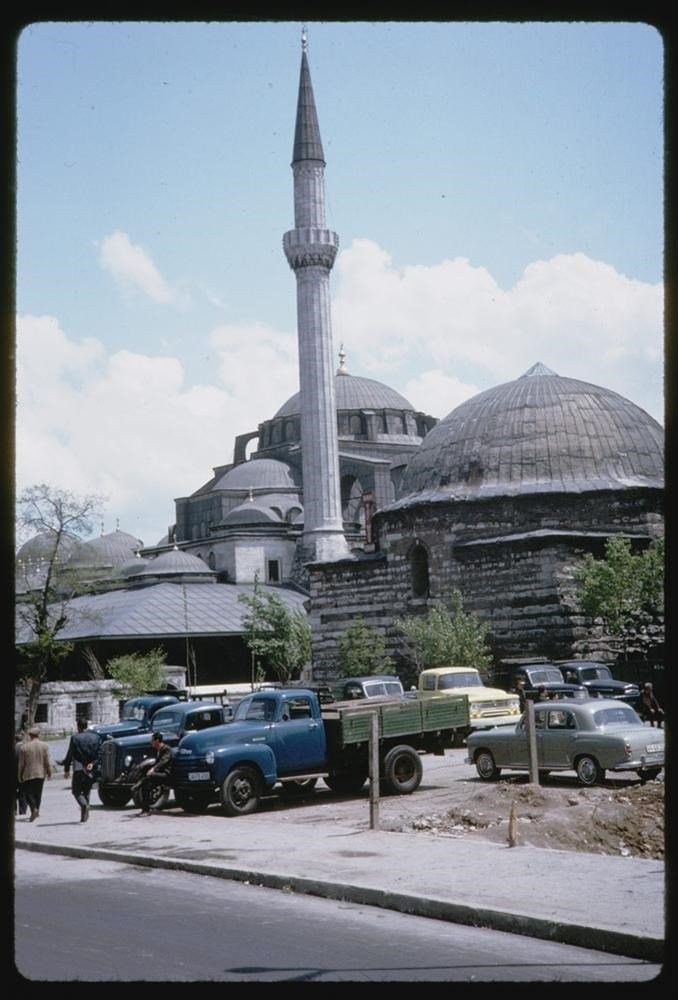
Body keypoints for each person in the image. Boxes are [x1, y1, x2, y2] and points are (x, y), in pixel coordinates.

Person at [60, 718, 102, 822]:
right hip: (91, 767)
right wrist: (93, 764)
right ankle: (84, 814)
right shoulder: (95, 737)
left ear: (78, 726)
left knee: (76, 791)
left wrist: (66, 769)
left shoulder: (75, 738)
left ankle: (84, 806)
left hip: (79, 767)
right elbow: (100, 753)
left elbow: (70, 754)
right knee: (87, 790)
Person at [17, 726, 52, 821]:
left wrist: (19, 774)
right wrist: (49, 771)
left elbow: (21, 764)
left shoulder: (24, 747)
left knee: (27, 793)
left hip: (28, 774)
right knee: (38, 793)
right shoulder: (44, 746)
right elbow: (47, 760)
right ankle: (36, 810)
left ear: (30, 735)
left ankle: (33, 809)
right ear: (38, 735)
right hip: (40, 773)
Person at [135, 732, 173, 815]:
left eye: (152, 740)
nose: (151, 742)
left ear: (157, 741)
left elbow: (163, 761)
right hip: (159, 774)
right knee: (146, 784)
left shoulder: (167, 749)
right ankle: (145, 809)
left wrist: (153, 769)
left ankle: (139, 785)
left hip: (166, 775)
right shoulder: (158, 750)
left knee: (149, 777)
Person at [15, 733, 28, 816]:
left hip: (12, 774)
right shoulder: (26, 748)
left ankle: (13, 810)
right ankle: (23, 810)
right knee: (23, 792)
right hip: (24, 773)